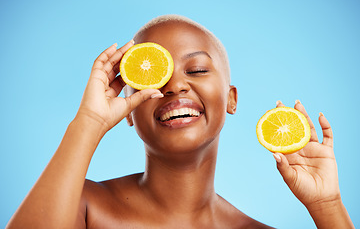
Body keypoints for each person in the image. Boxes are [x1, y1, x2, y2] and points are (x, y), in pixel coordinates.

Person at [6, 15, 354, 229]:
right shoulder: (82, 206)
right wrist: (88, 122)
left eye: (198, 69)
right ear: (127, 109)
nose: (175, 85)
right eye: (155, 77)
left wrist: (327, 208)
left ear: (232, 99)